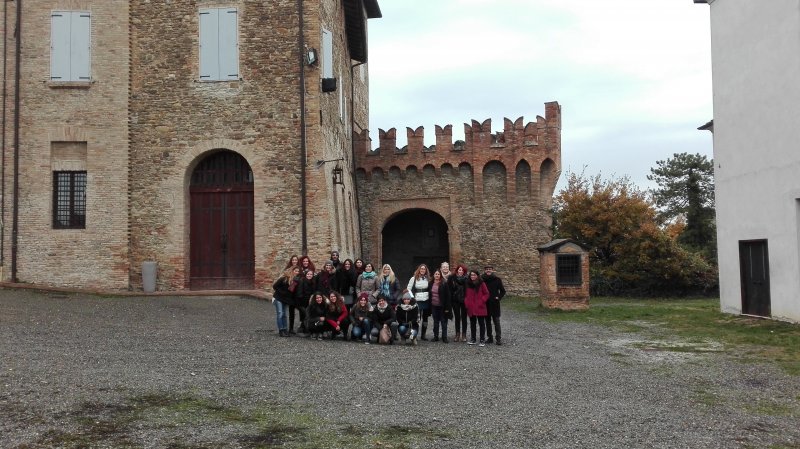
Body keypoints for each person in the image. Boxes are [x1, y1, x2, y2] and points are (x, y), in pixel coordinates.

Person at [482, 265, 507, 345]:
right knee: (487, 322)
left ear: (492, 270)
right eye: (487, 269)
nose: (488, 270)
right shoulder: (482, 280)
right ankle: (490, 338)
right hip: (486, 304)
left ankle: (498, 338)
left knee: (496, 322)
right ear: (484, 270)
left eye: (490, 269)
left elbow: (503, 291)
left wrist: (498, 297)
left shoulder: (497, 279)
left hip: (495, 304)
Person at [464, 269, 490, 346]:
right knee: (472, 324)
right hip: (471, 307)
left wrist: (482, 301)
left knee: (481, 323)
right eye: (471, 275)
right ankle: (473, 339)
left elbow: (487, 294)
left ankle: (482, 340)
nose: (472, 276)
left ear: (477, 276)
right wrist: (466, 302)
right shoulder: (468, 283)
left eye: (474, 275)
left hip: (480, 306)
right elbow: (466, 294)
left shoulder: (482, 283)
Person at [407, 264, 431, 340]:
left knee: (425, 318)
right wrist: (412, 298)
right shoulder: (413, 278)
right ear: (419, 270)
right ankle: (415, 334)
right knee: (417, 318)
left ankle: (423, 335)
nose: (423, 270)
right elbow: (408, 289)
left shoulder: (428, 279)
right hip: (417, 300)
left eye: (424, 269)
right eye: (421, 269)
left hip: (426, 300)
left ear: (426, 270)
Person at [271, 267, 297, 337]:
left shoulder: (294, 282)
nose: (297, 272)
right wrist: (282, 293)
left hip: (285, 300)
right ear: (292, 271)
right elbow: (274, 286)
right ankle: (281, 330)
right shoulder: (284, 278)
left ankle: (285, 329)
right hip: (278, 298)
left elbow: (290, 292)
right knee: (280, 313)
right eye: (295, 271)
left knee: (284, 315)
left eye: (298, 271)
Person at [447, 264, 469, 342]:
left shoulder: (467, 279)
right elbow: (449, 289)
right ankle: (457, 334)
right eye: (459, 270)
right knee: (457, 318)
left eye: (462, 270)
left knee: (464, 318)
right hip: (455, 300)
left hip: (464, 300)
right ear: (457, 270)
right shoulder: (452, 278)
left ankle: (464, 334)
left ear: (464, 271)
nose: (461, 271)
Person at [429, 269, 452, 343]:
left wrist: (447, 308)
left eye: (438, 274)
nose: (437, 275)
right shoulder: (431, 283)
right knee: (435, 322)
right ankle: (436, 336)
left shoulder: (444, 283)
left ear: (440, 275)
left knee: (443, 322)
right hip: (434, 306)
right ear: (434, 275)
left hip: (442, 306)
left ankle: (444, 337)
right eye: (436, 274)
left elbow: (448, 296)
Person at [291, 268, 315, 335]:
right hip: (301, 302)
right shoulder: (302, 281)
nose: (309, 275)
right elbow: (299, 293)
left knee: (305, 315)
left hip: (308, 302)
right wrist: (301, 303)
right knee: (305, 314)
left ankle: (303, 329)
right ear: (305, 274)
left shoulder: (312, 282)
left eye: (311, 274)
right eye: (308, 274)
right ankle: (305, 329)